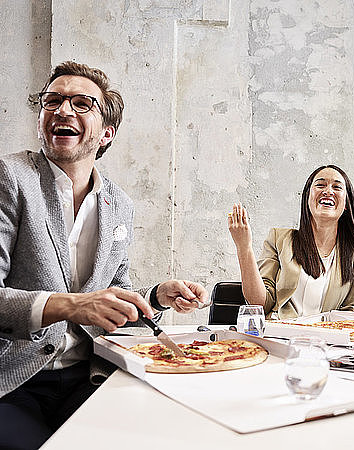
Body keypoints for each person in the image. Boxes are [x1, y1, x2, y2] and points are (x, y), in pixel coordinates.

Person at [0, 61, 210, 449]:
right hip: (13, 379)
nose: (63, 110)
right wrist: (71, 306)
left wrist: (154, 297)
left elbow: (111, 292)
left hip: (92, 377)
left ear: (105, 133)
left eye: (82, 104)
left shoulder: (120, 205)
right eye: (54, 100)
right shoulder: (10, 177)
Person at [228, 165, 354, 319]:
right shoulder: (279, 239)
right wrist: (244, 247)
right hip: (278, 335)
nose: (328, 191)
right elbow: (259, 304)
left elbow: (353, 315)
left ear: (346, 204)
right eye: (320, 185)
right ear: (308, 198)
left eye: (337, 187)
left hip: (326, 341)